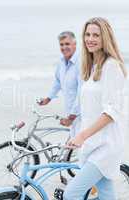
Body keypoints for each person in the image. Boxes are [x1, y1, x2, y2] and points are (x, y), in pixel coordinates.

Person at [63, 17, 127, 200]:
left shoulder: (111, 66)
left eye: (96, 35)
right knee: (106, 195)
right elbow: (90, 109)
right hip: (92, 144)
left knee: (71, 194)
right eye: (87, 34)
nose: (90, 39)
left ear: (105, 38)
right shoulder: (92, 68)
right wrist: (76, 131)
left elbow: (111, 111)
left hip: (107, 146)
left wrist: (83, 135)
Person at [39, 31, 81, 137]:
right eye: (61, 44)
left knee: (81, 147)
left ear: (74, 44)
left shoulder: (81, 63)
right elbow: (58, 81)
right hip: (70, 112)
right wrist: (48, 98)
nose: (64, 47)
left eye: (67, 44)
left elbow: (82, 93)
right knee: (74, 146)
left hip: (81, 114)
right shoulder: (61, 62)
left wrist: (71, 117)